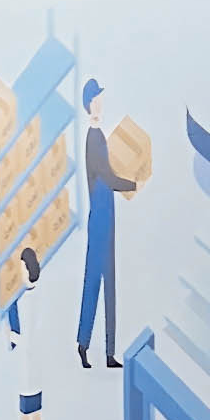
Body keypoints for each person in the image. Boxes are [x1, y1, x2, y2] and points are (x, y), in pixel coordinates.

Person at [74, 78, 125, 371]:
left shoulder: (100, 135)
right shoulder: (93, 138)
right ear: (90, 104)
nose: (101, 103)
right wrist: (133, 183)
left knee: (110, 284)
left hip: (108, 214)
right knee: (93, 282)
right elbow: (107, 175)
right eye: (97, 99)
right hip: (100, 218)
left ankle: (109, 351)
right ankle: (83, 344)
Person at [11, 243, 46, 420]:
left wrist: (10, 334)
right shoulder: (36, 297)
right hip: (36, 367)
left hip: (27, 368)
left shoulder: (24, 301)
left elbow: (26, 339)